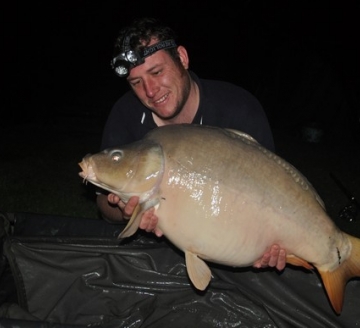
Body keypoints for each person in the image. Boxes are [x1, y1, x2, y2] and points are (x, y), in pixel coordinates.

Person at [96, 17, 286, 270]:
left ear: (182, 58)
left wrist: (272, 244)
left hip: (237, 243)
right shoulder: (125, 115)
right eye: (136, 82)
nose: (150, 91)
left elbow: (274, 193)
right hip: (161, 254)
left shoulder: (238, 107)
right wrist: (125, 212)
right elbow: (102, 206)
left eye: (157, 72)